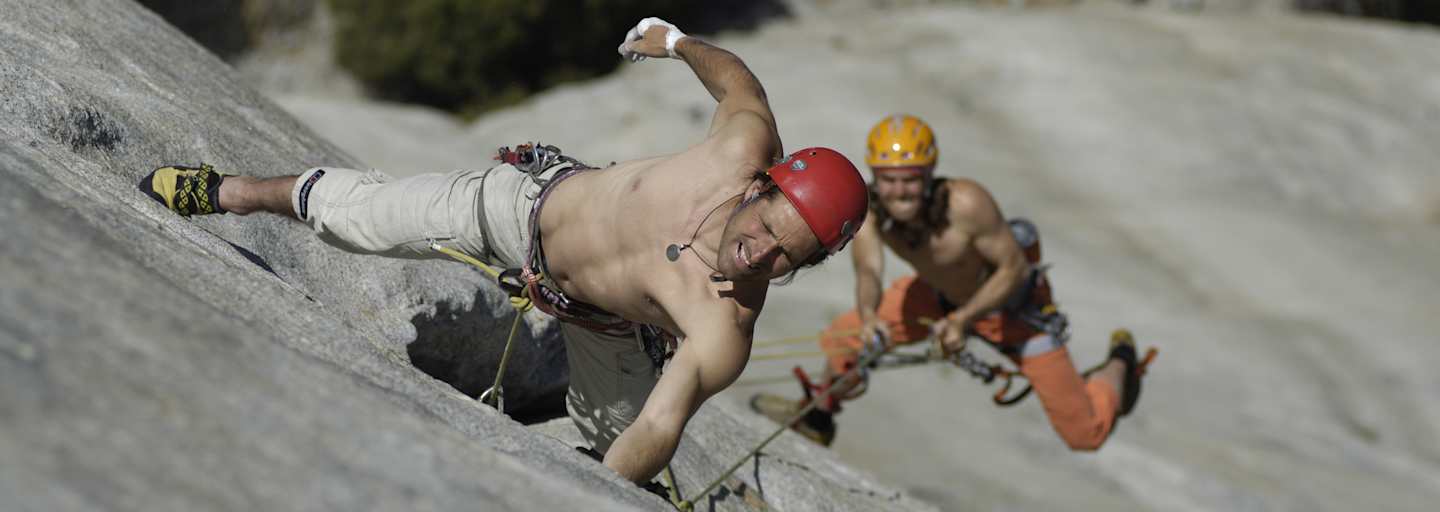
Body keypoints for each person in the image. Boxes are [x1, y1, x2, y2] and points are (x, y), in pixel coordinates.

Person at [139, 17, 869, 483]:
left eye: (786, 258)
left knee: (617, 437)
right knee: (358, 218)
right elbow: (738, 81)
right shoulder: (739, 147)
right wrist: (677, 43)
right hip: (521, 209)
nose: (760, 254)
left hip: (603, 321)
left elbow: (658, 425)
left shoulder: (723, 328)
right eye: (767, 228)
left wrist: (600, 492)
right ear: (764, 185)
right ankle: (229, 191)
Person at [751, 114, 1149, 451]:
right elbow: (869, 270)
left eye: (910, 179)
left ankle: (1119, 365)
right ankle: (817, 418)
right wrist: (870, 317)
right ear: (876, 176)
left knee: (1084, 434)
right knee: (849, 336)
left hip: (1016, 312)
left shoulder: (966, 204)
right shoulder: (872, 213)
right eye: (889, 179)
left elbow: (1013, 269)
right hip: (938, 298)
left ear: (928, 174)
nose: (899, 190)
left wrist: (963, 320)